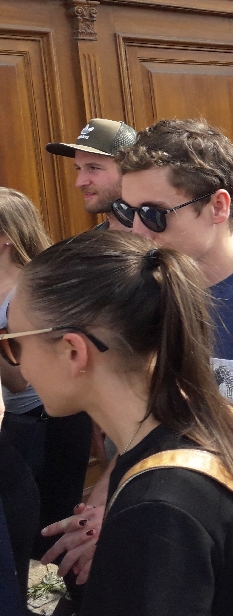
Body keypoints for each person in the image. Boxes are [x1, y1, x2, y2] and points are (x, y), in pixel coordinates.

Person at [40, 120, 233, 594]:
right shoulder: (152, 289)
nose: (137, 230)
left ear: (218, 206)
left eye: (155, 215)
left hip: (232, 549)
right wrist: (105, 506)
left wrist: (157, 526)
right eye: (127, 211)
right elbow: (144, 424)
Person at [6, 231, 233, 615]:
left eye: (14, 343)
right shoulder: (200, 421)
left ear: (73, 351)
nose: (18, 365)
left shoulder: (157, 512)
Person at [0, 189, 92, 563]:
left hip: (45, 422)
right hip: (19, 422)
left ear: (5, 236)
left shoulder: (30, 292)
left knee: (46, 533)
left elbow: (20, 380)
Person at [45, 118, 139, 231]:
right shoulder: (87, 243)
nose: (79, 182)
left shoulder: (160, 241)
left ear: (130, 170)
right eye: (78, 168)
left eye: (94, 168)